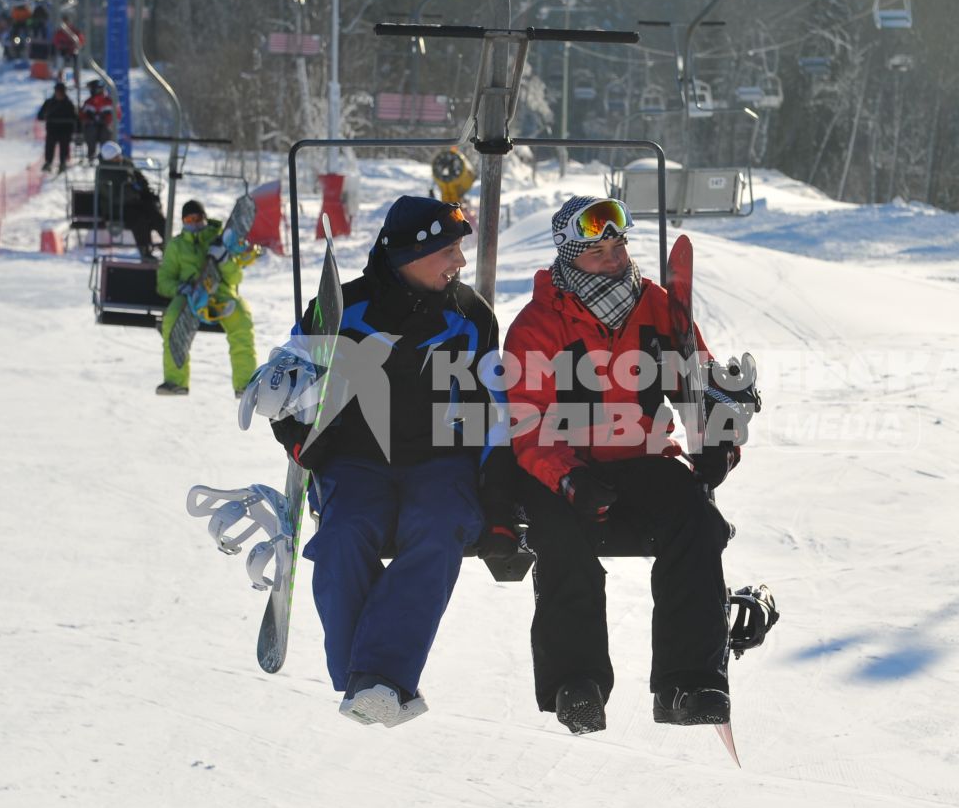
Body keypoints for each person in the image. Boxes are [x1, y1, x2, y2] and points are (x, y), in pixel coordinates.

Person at [240, 196, 519, 727]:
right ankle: (367, 680)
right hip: (356, 460)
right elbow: (289, 389)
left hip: (443, 459)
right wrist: (295, 437)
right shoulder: (345, 310)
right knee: (345, 534)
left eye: (461, 248)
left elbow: (493, 410)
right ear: (412, 253)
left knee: (438, 531)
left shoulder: (473, 316)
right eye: (450, 250)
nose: (459, 262)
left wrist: (500, 503)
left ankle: (375, 678)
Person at [503, 196, 750, 736]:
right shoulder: (538, 325)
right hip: (563, 466)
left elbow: (702, 380)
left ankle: (689, 681)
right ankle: (578, 683)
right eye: (598, 252)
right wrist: (567, 478)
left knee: (694, 517)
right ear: (570, 257)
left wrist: (719, 442)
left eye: (619, 247)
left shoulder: (657, 306)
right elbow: (526, 423)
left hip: (641, 458)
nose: (615, 260)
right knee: (561, 540)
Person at [156, 198, 258, 398]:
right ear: (183, 221)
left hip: (220, 292)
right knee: (172, 320)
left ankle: (245, 384)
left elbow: (236, 277)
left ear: (204, 218)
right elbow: (163, 281)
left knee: (242, 320)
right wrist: (181, 287)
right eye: (189, 219)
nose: (193, 223)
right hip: (190, 295)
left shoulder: (219, 239)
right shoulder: (177, 246)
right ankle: (176, 381)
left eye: (197, 218)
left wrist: (225, 260)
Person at [94, 142, 166, 261]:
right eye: (116, 157)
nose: (119, 158)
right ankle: (145, 251)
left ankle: (168, 242)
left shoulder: (126, 163)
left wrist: (143, 188)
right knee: (139, 219)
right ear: (109, 158)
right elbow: (112, 195)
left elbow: (138, 175)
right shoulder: (104, 172)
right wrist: (133, 192)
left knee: (153, 212)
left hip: (134, 201)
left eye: (119, 155)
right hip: (117, 207)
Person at [36, 81, 76, 174]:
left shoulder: (68, 104)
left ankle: (63, 163)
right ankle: (48, 162)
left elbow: (74, 117)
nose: (59, 94)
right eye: (58, 91)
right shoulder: (49, 103)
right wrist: (46, 116)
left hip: (65, 130)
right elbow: (40, 116)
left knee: (64, 146)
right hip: (52, 129)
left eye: (61, 92)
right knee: (50, 145)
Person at [79, 81, 115, 162]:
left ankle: (105, 156)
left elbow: (116, 115)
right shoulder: (88, 102)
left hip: (105, 127)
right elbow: (82, 115)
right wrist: (88, 118)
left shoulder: (108, 101)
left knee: (106, 133)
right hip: (92, 127)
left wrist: (106, 119)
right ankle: (91, 154)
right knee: (90, 130)